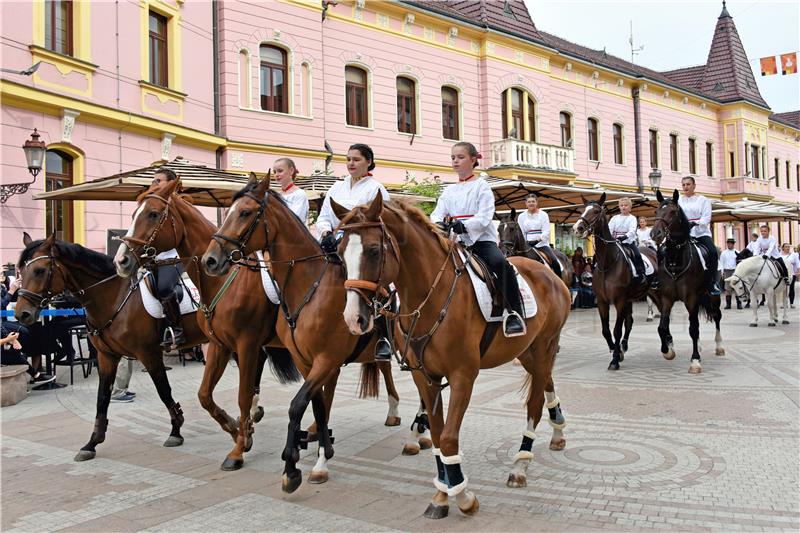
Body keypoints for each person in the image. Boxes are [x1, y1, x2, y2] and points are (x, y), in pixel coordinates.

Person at [431, 142, 525, 337]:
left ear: (473, 160)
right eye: (453, 157)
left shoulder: (482, 186)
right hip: (454, 242)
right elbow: (436, 214)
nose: (455, 161)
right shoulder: (448, 191)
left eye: (460, 157)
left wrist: (464, 225)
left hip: (481, 241)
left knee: (501, 264)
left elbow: (484, 216)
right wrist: (439, 224)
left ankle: (515, 313)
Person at [316, 144, 393, 361]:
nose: (351, 163)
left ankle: (383, 338)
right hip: (336, 246)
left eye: (356, 159)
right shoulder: (336, 188)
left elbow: (383, 222)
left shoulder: (376, 189)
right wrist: (325, 233)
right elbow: (323, 217)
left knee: (386, 287)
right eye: (348, 159)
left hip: (363, 250)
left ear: (368, 162)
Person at [148, 168, 186, 348]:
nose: (155, 183)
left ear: (171, 184)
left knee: (163, 288)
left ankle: (178, 331)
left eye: (159, 180)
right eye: (154, 180)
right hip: (153, 259)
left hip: (175, 258)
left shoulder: (179, 204)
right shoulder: (152, 203)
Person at [677, 176, 719, 295]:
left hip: (701, 233)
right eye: (684, 184)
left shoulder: (703, 200)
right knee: (665, 250)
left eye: (688, 184)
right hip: (684, 234)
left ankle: (712, 282)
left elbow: (706, 218)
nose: (685, 187)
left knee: (713, 252)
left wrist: (695, 223)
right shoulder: (679, 200)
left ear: (694, 186)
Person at [517, 194, 561, 277]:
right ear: (525, 203)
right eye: (529, 202)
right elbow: (520, 233)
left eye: (533, 201)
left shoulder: (543, 214)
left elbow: (546, 231)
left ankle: (560, 282)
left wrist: (537, 240)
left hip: (542, 244)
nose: (531, 203)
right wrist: (525, 243)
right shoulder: (521, 216)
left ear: (537, 203)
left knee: (554, 261)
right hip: (527, 245)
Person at [608, 198, 648, 280]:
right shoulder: (614, 218)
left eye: (626, 205)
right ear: (619, 207)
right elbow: (610, 229)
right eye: (621, 205)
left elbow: (632, 230)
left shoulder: (632, 218)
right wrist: (611, 237)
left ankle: (641, 273)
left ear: (630, 207)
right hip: (615, 242)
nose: (623, 207)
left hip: (628, 242)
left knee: (637, 254)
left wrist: (624, 237)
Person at [273, 158, 309, 224]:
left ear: (291, 171)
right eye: (274, 172)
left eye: (280, 171)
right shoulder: (277, 196)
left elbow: (295, 219)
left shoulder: (299, 194)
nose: (276, 175)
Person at [719, 238, 741, 309]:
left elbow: (740, 263)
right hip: (727, 271)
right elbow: (721, 263)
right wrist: (722, 272)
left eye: (731, 244)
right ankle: (728, 304)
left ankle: (739, 304)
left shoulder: (737, 252)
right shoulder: (724, 253)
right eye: (728, 243)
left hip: (735, 271)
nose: (729, 245)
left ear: (733, 244)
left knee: (737, 287)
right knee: (728, 288)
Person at [786, 244, 800, 308]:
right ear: (783, 248)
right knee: (784, 289)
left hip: (792, 274)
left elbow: (797, 263)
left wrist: (798, 271)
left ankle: (791, 303)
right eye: (786, 247)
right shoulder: (779, 255)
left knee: (791, 288)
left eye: (788, 247)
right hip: (783, 274)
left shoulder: (794, 255)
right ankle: (784, 303)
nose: (787, 248)